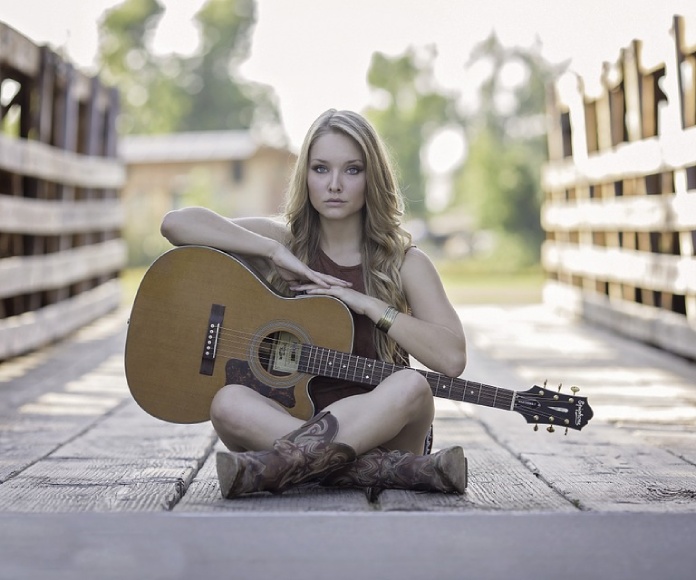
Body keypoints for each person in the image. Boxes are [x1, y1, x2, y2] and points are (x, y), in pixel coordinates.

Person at [160, 109, 468, 498]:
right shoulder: (285, 244)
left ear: (372, 177)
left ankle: (282, 466)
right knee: (227, 402)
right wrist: (271, 250)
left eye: (352, 170)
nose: (335, 184)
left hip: (388, 431)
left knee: (411, 384)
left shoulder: (405, 262)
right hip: (292, 421)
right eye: (321, 169)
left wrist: (372, 307)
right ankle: (391, 472)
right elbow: (176, 224)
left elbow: (453, 359)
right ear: (305, 175)